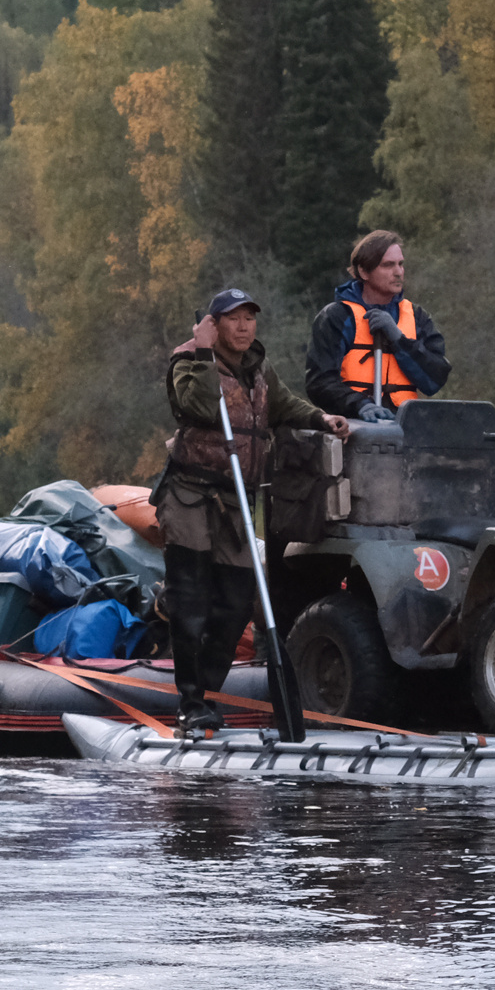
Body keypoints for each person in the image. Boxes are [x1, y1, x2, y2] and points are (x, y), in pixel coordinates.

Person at [155, 287, 349, 732]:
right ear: (214, 324)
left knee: (238, 600)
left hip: (235, 498)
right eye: (233, 319)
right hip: (189, 495)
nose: (244, 327)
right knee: (191, 601)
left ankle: (205, 693)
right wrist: (203, 352)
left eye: (250, 319)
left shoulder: (259, 370)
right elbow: (200, 405)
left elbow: (282, 405)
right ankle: (189, 703)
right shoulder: (188, 362)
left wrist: (320, 419)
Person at [305, 230, 451, 422]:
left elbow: (434, 381)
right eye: (388, 265)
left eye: (400, 264)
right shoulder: (337, 317)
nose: (398, 272)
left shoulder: (417, 317)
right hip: (351, 425)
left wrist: (399, 340)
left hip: (405, 430)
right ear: (364, 271)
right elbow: (319, 383)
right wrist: (359, 404)